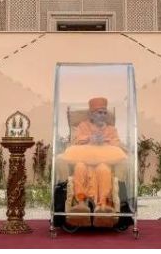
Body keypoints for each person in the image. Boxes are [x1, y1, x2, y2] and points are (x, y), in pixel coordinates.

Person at [57, 96, 128, 228]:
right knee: (79, 167)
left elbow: (118, 145)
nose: (102, 115)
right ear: (91, 114)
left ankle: (104, 205)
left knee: (103, 170)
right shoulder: (83, 126)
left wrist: (105, 140)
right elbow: (75, 142)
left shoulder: (111, 129)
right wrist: (90, 138)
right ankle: (81, 203)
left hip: (104, 160)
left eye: (104, 112)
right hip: (84, 159)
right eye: (99, 112)